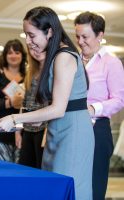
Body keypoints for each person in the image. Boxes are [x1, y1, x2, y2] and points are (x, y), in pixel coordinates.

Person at [0, 7, 94, 200]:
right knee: (54, 187)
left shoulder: (64, 56)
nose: (28, 41)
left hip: (73, 130)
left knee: (69, 188)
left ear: (49, 32)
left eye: (32, 35)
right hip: (59, 127)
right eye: (26, 35)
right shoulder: (55, 56)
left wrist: (15, 118)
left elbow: (57, 108)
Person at [74, 11, 124, 200]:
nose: (80, 41)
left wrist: (93, 109)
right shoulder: (72, 61)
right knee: (72, 182)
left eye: (85, 36)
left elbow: (119, 99)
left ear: (100, 35)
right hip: (71, 128)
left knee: (94, 187)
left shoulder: (111, 63)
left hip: (97, 130)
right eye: (77, 36)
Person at [0, 39, 26, 162]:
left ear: (22, 55)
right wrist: (10, 103)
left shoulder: (28, 75)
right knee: (0, 170)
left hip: (22, 130)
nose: (13, 56)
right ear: (5, 55)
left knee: (20, 171)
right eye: (10, 53)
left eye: (17, 52)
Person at [16, 48, 48, 169]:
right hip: (27, 129)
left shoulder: (52, 71)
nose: (37, 52)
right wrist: (18, 131)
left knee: (42, 169)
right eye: (33, 49)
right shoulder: (31, 72)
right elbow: (24, 104)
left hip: (44, 129)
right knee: (25, 169)